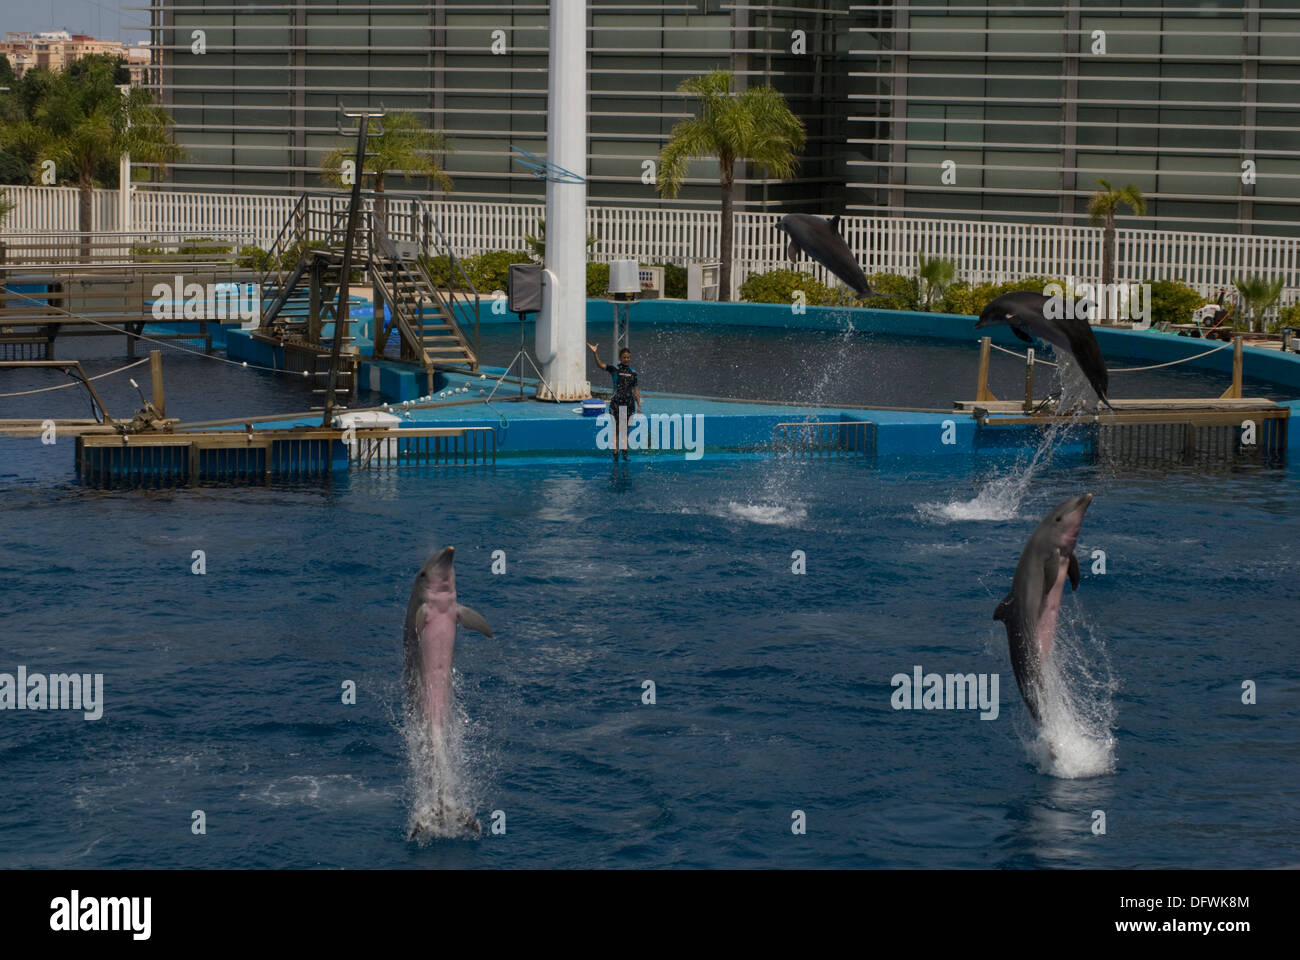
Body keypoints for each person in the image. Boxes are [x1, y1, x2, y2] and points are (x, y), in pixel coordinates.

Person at [587, 342, 642, 459]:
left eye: (628, 357)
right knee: (617, 430)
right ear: (620, 358)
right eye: (624, 357)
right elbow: (600, 365)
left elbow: (636, 391)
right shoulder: (615, 369)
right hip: (616, 404)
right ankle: (616, 454)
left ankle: (625, 455)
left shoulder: (633, 373)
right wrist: (595, 353)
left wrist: (639, 406)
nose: (626, 359)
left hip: (629, 404)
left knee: (625, 430)